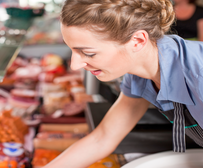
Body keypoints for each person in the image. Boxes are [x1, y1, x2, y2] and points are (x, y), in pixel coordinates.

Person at [44, 0, 203, 167]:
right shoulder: (140, 70)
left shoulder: (198, 77)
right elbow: (102, 138)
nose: (75, 65)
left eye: (88, 53)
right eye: (73, 50)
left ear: (138, 41)